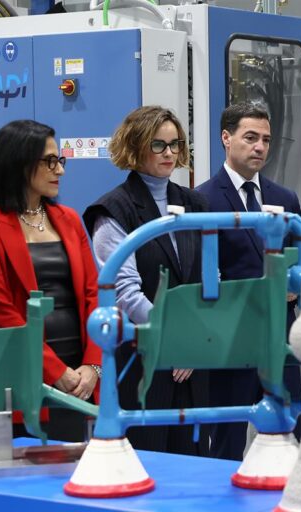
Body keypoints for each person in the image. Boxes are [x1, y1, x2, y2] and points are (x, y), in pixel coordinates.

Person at [83, 106, 209, 456]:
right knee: (148, 466)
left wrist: (195, 342)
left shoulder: (196, 204)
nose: (169, 153)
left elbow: (208, 279)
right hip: (142, 365)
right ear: (135, 147)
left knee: (196, 470)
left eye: (175, 144)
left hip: (193, 364)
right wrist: (174, 340)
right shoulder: (112, 210)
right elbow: (125, 293)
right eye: (158, 145)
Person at [0, 119, 101, 441]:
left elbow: (94, 294)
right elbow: (0, 313)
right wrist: (57, 373)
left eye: (60, 160)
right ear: (19, 164)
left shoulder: (68, 219)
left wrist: (92, 367)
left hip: (80, 373)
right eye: (50, 161)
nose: (60, 170)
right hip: (23, 374)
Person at [196, 102, 301, 461]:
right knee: (226, 437)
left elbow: (300, 256)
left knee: (290, 429)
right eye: (250, 138)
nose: (259, 147)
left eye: (266, 140)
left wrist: (293, 284)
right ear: (226, 138)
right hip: (230, 338)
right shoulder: (203, 199)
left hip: (279, 334)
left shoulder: (285, 198)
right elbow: (199, 271)